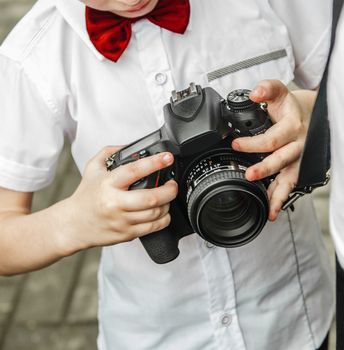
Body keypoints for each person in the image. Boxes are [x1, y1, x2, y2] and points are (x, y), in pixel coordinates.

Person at [0, 0, 334, 349]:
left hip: (294, 319)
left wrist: (316, 116)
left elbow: (333, 85)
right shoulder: (33, 54)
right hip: (156, 335)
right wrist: (73, 221)